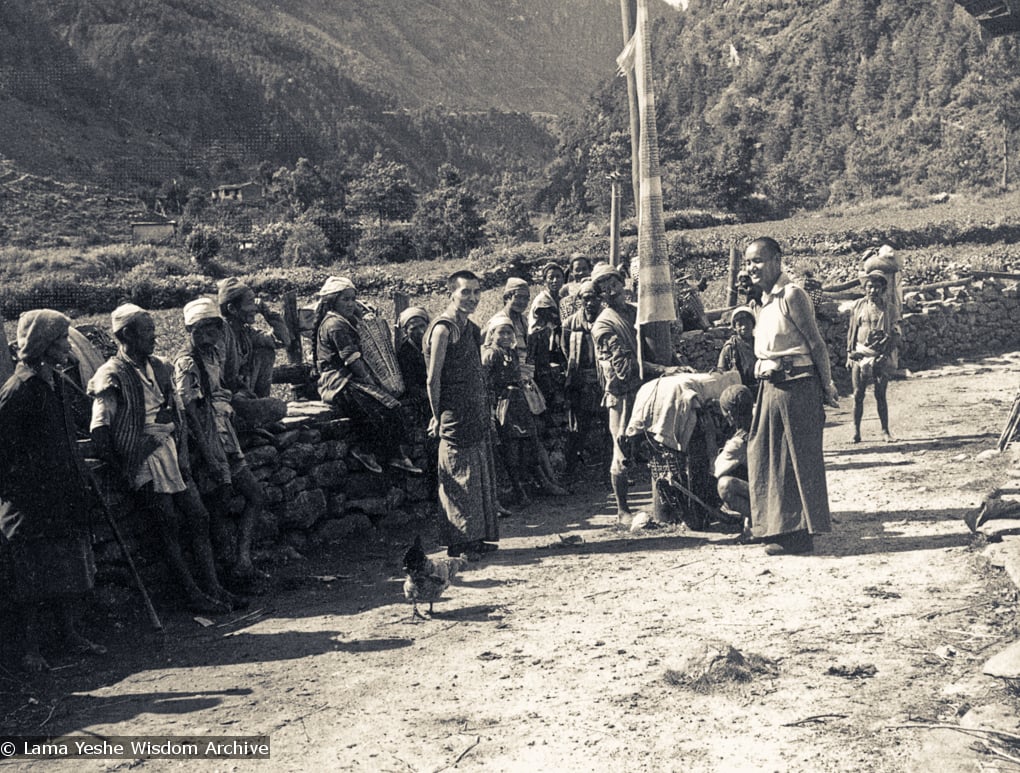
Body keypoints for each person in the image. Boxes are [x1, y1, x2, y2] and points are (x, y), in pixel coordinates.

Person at [89, 303, 239, 610]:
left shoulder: (160, 366)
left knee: (198, 516)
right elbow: (100, 427)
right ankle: (193, 595)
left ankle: (214, 587)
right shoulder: (111, 374)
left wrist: (179, 442)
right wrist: (123, 466)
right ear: (127, 335)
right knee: (167, 523)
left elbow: (178, 410)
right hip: (143, 456)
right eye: (148, 331)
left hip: (172, 451)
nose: (154, 337)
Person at [0, 310, 105, 671]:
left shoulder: (55, 383)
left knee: (68, 571)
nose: (67, 347)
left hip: (62, 495)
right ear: (43, 346)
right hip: (30, 504)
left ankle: (70, 635)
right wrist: (22, 492)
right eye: (60, 340)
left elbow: (67, 438)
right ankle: (31, 651)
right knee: (32, 581)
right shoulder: (19, 390)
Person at [173, 297, 278, 586]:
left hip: (224, 435)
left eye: (214, 329)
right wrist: (209, 452)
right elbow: (190, 411)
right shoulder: (187, 363)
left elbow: (222, 391)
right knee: (218, 506)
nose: (210, 336)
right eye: (202, 330)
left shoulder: (213, 356)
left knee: (254, 496)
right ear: (189, 329)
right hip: (207, 441)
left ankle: (242, 561)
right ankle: (229, 572)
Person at [745, 237, 838, 556]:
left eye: (758, 260)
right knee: (768, 457)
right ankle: (780, 529)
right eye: (747, 262)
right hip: (771, 387)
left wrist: (827, 386)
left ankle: (800, 535)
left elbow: (817, 343)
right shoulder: (765, 300)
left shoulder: (792, 295)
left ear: (777, 260)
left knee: (798, 458)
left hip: (797, 386)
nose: (751, 268)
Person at [590, 263, 678, 522]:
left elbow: (656, 344)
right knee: (622, 452)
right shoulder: (604, 325)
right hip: (623, 394)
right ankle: (622, 510)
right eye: (604, 286)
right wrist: (663, 368)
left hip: (647, 388)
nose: (611, 289)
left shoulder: (636, 313)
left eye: (614, 282)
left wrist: (673, 361)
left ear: (622, 282)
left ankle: (666, 504)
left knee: (659, 445)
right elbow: (624, 368)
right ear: (600, 294)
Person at [425, 270, 500, 559]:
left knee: (477, 474)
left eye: (476, 292)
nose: (472, 298)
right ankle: (459, 543)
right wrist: (436, 415)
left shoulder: (471, 327)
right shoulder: (443, 329)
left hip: (474, 411)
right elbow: (434, 379)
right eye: (465, 292)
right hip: (454, 414)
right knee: (457, 475)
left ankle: (477, 537)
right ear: (451, 294)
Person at [312, 276, 420, 475]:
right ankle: (366, 450)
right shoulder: (335, 325)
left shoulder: (343, 320)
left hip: (349, 380)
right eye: (345, 299)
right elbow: (352, 359)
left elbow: (363, 321)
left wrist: (358, 311)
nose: (351, 304)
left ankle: (394, 455)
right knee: (380, 407)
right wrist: (371, 382)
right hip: (338, 382)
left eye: (353, 299)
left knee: (392, 407)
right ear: (332, 301)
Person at [483, 315, 567, 505]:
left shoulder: (511, 353)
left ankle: (538, 484)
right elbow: (486, 383)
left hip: (519, 402)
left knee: (528, 443)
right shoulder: (490, 354)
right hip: (503, 404)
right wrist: (491, 407)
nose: (505, 336)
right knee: (510, 448)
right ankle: (519, 491)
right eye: (501, 332)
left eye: (508, 332)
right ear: (492, 334)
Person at [216, 277, 291, 424]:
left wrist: (268, 313)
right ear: (232, 309)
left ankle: (256, 415)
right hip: (227, 399)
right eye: (250, 303)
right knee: (277, 408)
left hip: (244, 396)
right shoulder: (221, 334)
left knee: (265, 351)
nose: (255, 308)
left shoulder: (245, 332)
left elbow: (282, 341)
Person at [560, 280, 605, 480]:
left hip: (604, 382)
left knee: (609, 427)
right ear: (579, 300)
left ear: (599, 298)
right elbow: (564, 350)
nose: (589, 303)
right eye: (585, 298)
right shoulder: (570, 323)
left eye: (593, 298)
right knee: (578, 428)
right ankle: (571, 472)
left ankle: (612, 471)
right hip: (581, 383)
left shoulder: (607, 318)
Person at [847, 270, 896, 443]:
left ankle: (885, 431)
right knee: (858, 394)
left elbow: (895, 334)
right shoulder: (858, 305)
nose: (873, 291)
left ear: (883, 289)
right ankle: (856, 432)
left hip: (880, 355)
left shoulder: (888, 308)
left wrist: (886, 354)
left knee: (880, 393)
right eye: (869, 287)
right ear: (865, 288)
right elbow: (852, 330)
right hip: (860, 353)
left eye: (877, 287)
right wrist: (849, 354)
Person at [714, 384, 753, 526]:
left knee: (725, 485)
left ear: (730, 415)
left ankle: (759, 520)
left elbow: (716, 470)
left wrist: (710, 437)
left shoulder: (738, 443)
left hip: (766, 494)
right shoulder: (760, 423)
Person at [717, 306, 757, 389]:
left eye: (747, 323)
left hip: (760, 386)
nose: (744, 327)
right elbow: (721, 370)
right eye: (740, 324)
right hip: (739, 389)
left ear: (753, 325)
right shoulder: (730, 347)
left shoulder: (760, 343)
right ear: (735, 328)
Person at [527, 262, 565, 334]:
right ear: (545, 280)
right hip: (538, 338)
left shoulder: (559, 298)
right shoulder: (542, 300)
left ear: (563, 279)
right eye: (551, 278)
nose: (555, 280)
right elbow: (557, 321)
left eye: (558, 277)